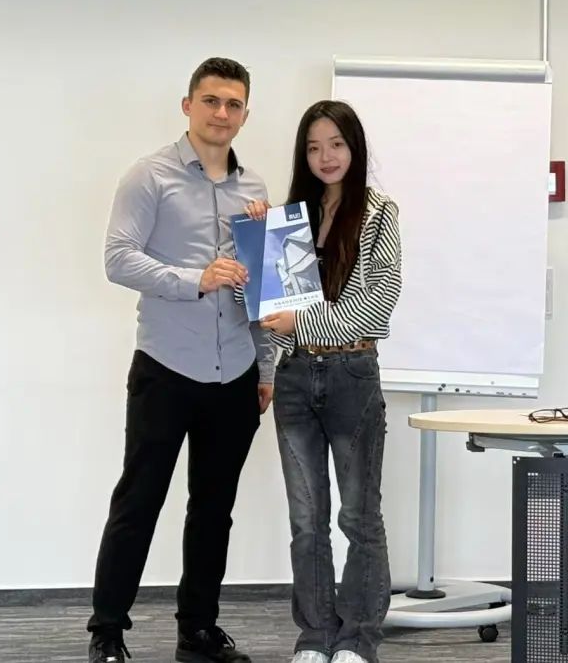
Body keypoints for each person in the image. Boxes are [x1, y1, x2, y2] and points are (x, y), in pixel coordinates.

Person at [89, 57, 275, 663]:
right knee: (139, 501)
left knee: (214, 511)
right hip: (166, 368)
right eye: (211, 100)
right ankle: (107, 632)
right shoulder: (149, 176)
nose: (222, 113)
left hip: (236, 372)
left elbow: (265, 290)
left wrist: (266, 368)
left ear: (245, 114)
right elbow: (118, 258)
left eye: (234, 104)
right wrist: (194, 278)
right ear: (188, 105)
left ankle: (197, 631)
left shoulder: (256, 191)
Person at [246, 100, 402, 663]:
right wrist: (258, 238)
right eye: (313, 147)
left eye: (336, 144)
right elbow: (267, 311)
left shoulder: (380, 213)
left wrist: (302, 323)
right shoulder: (291, 219)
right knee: (306, 521)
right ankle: (316, 636)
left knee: (359, 517)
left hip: (352, 375)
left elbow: (376, 309)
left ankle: (358, 637)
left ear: (354, 147)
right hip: (294, 378)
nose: (326, 156)